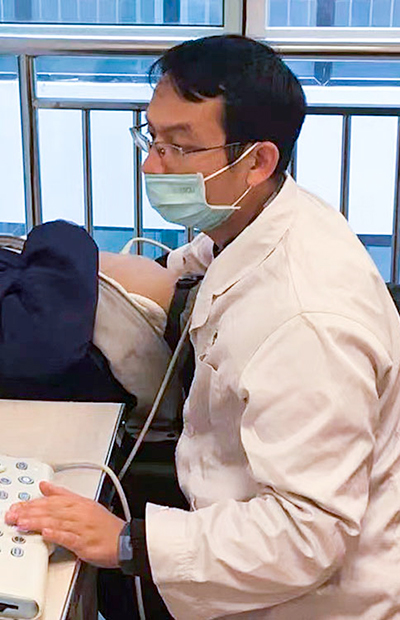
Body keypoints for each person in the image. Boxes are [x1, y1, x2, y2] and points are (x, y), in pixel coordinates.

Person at [6, 34, 400, 619]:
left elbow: (308, 537)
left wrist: (125, 542)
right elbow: (192, 267)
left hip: (302, 592)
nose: (151, 164)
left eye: (178, 147)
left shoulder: (308, 320)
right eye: (151, 137)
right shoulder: (260, 216)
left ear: (257, 161)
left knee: (69, 573)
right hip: (227, 506)